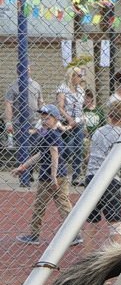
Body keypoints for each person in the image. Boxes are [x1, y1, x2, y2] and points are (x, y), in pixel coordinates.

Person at [13, 105, 80, 246]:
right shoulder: (49, 133)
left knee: (39, 205)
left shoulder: (51, 134)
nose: (44, 120)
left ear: (56, 119)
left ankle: (34, 235)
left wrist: (53, 176)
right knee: (63, 204)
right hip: (61, 175)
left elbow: (54, 153)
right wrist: (23, 167)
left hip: (49, 176)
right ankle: (74, 234)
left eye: (47, 117)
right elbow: (41, 154)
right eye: (42, 117)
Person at [81, 99, 121, 252]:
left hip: (91, 177)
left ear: (109, 115)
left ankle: (88, 256)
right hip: (110, 180)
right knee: (115, 222)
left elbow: (91, 153)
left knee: (91, 220)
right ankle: (116, 255)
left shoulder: (98, 131)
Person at [6, 75, 44, 187]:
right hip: (19, 123)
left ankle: (29, 172)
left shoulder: (36, 85)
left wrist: (43, 117)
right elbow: (8, 104)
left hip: (35, 122)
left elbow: (41, 101)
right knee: (23, 149)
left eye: (29, 69)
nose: (27, 71)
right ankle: (24, 177)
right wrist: (9, 122)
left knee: (34, 148)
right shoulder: (13, 86)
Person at [55, 66, 88, 186]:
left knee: (79, 149)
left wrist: (81, 121)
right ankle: (60, 172)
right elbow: (60, 107)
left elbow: (81, 108)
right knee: (68, 148)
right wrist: (69, 119)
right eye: (79, 75)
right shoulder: (63, 89)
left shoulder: (80, 90)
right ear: (72, 76)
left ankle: (76, 177)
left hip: (78, 123)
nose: (81, 78)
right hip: (66, 123)